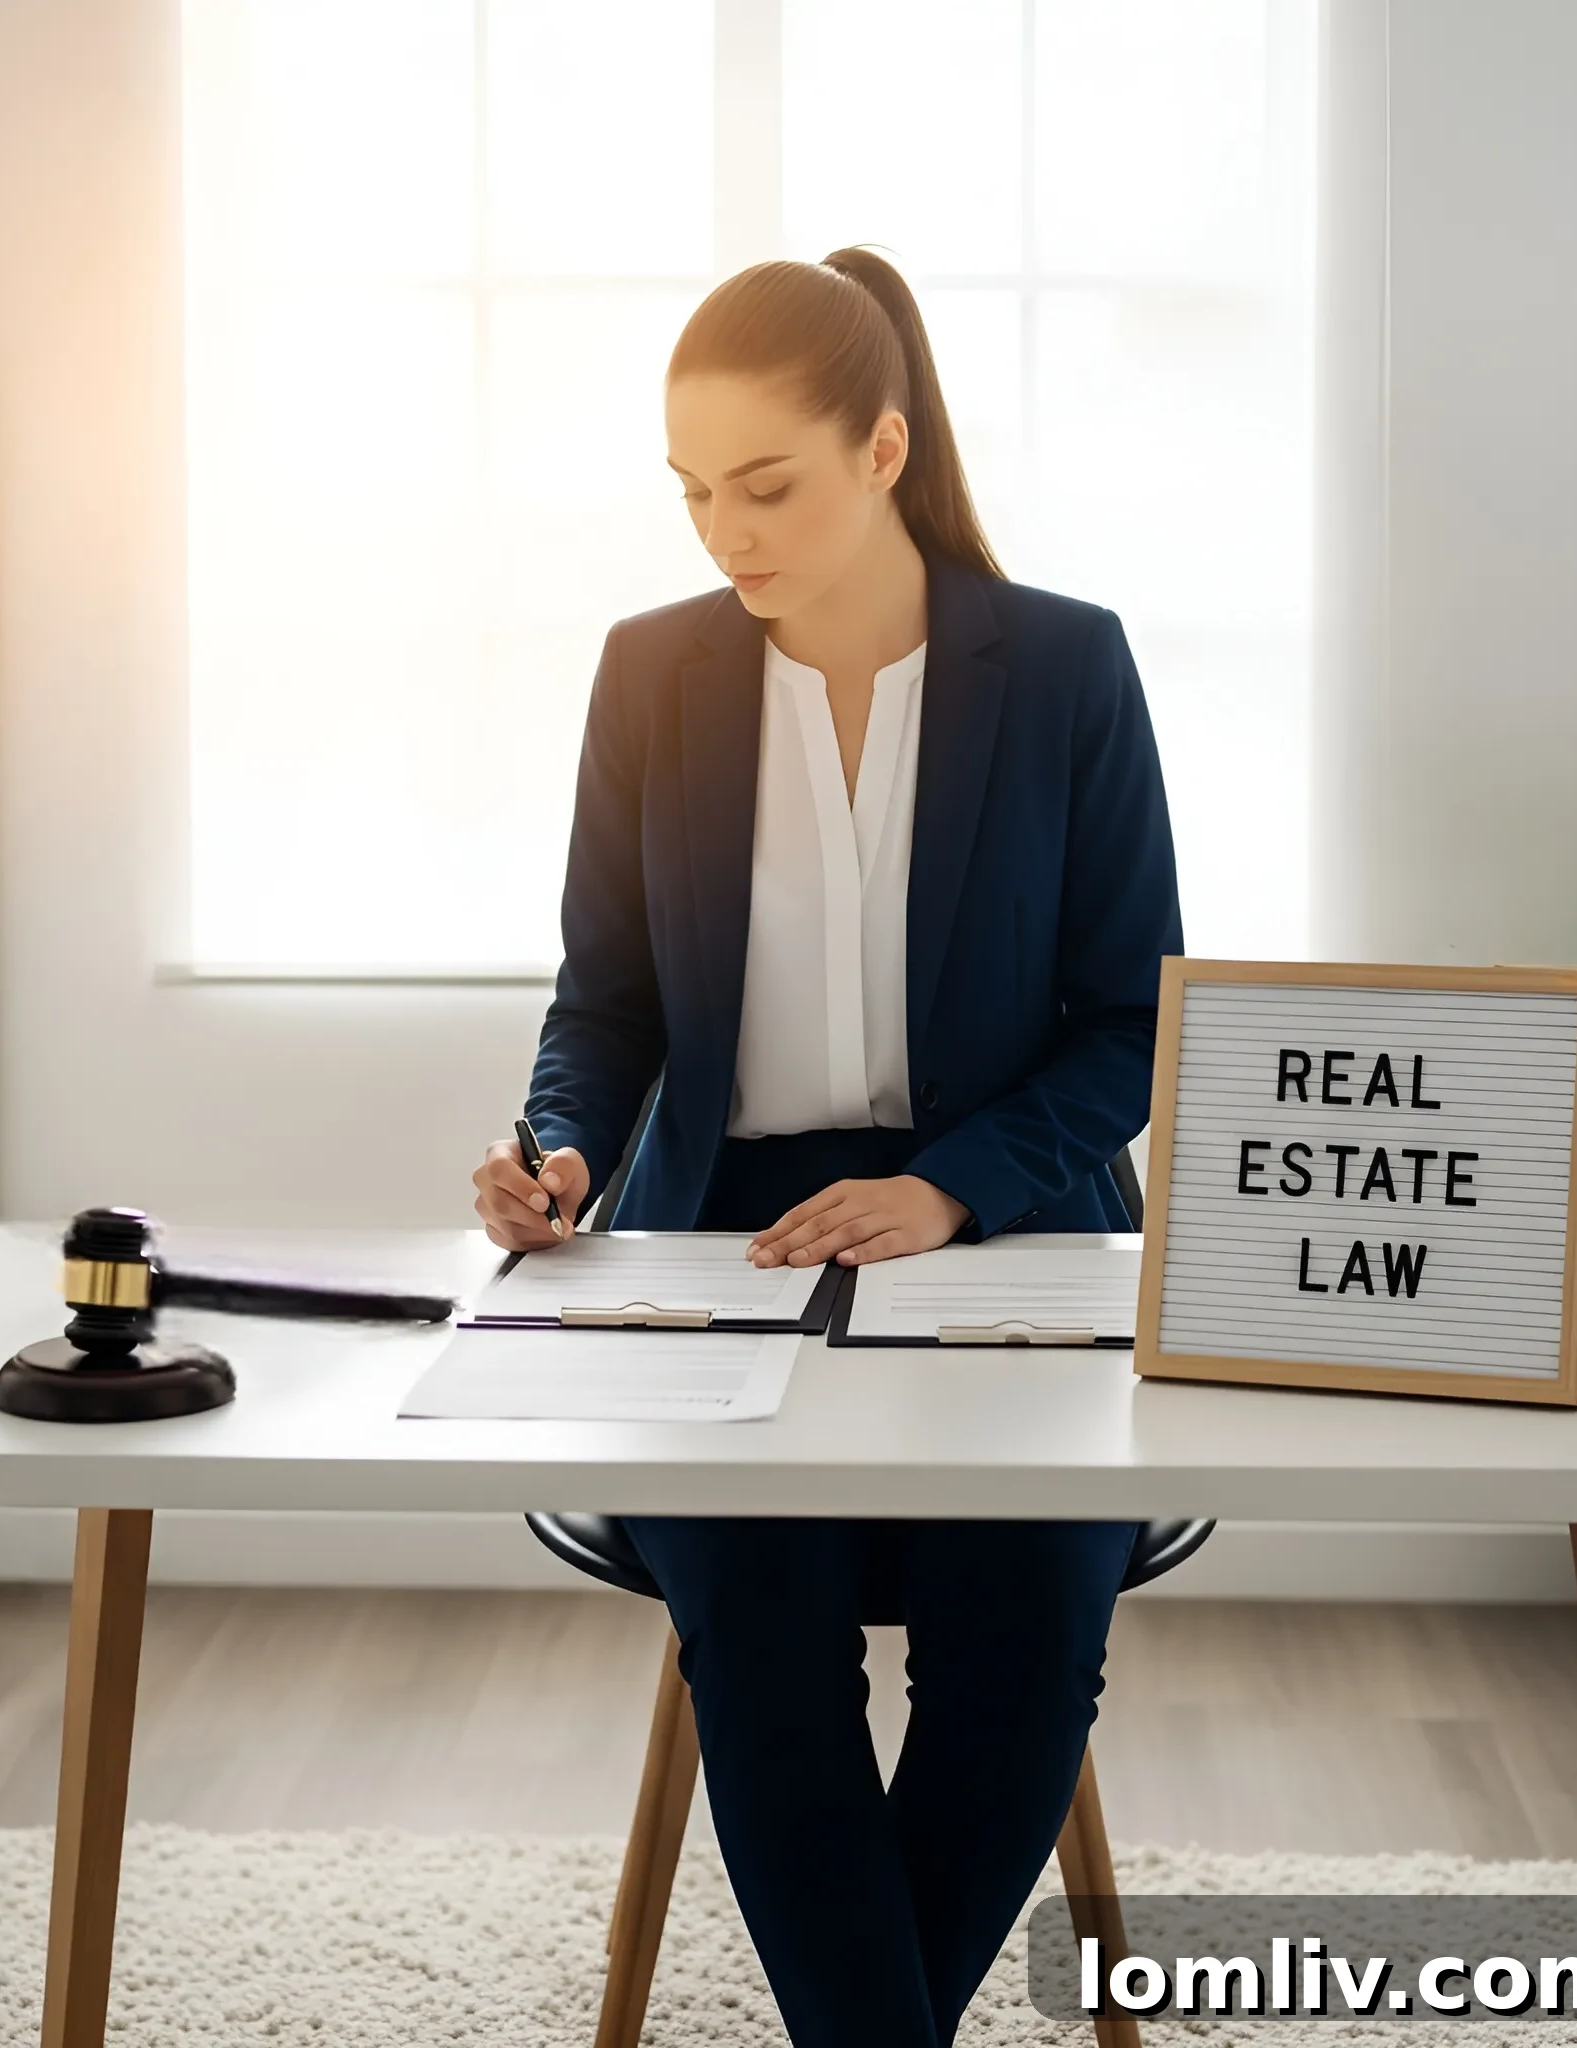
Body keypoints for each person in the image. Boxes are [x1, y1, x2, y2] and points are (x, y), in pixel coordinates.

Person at [471, 247, 1182, 2048]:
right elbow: (607, 1002)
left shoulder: (1071, 669)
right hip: (722, 1247)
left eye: (765, 486)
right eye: (694, 492)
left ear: (882, 449)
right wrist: (559, 1150)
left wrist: (952, 1186)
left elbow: (1133, 1024)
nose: (726, 532)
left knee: (1022, 1641)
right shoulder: (653, 680)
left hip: (1008, 1231)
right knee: (765, 1648)